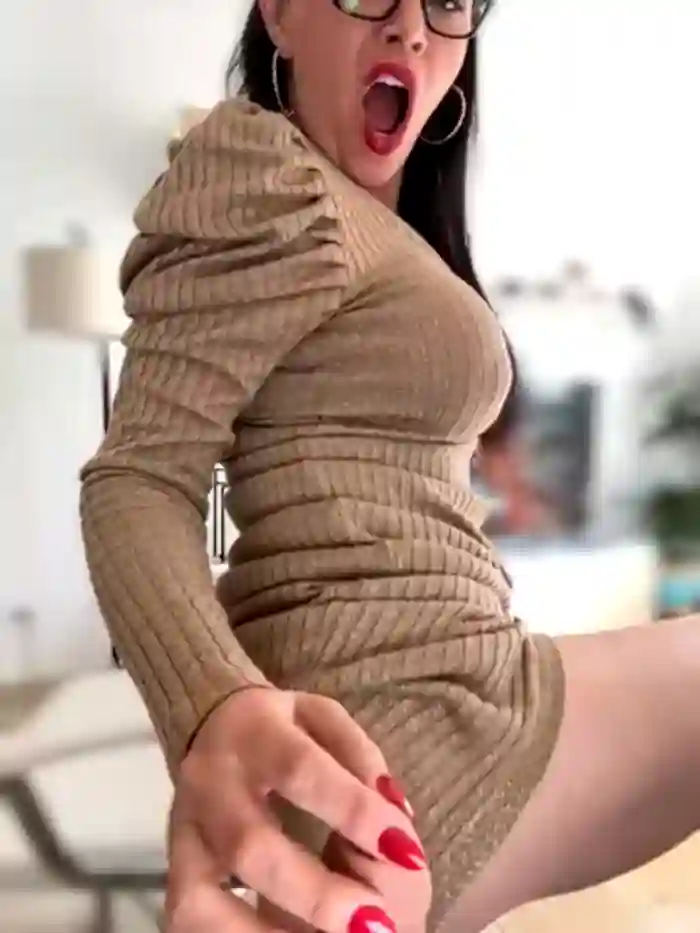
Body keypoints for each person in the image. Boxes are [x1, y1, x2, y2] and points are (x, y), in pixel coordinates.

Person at [78, 0, 700, 930]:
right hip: (403, 713)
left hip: (453, 690)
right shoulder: (263, 170)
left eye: (446, 2)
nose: (411, 26)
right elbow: (138, 476)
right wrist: (212, 706)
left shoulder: (385, 227)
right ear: (279, 13)